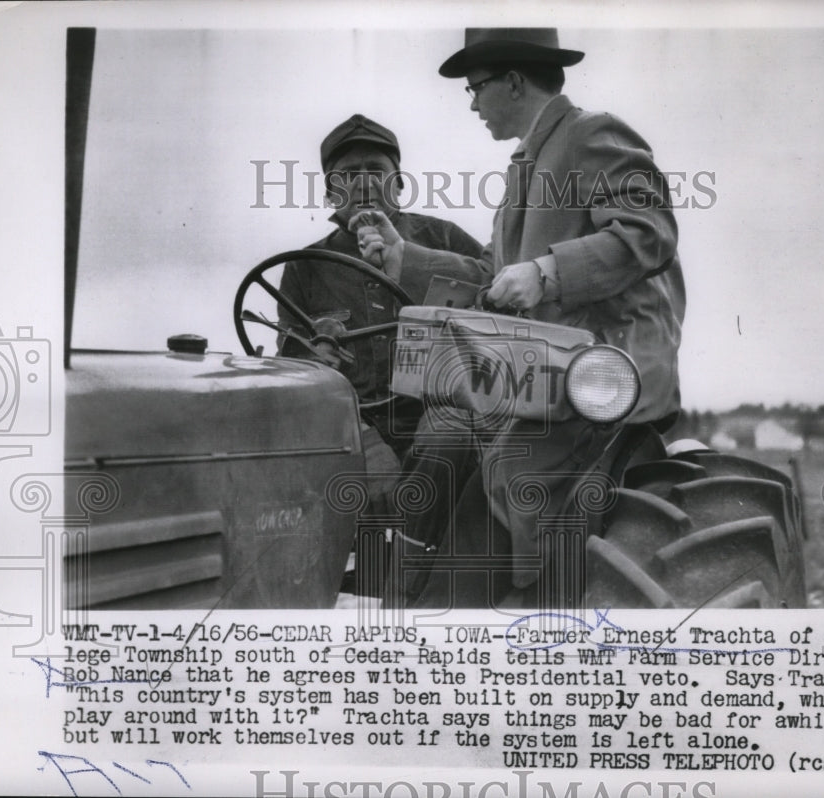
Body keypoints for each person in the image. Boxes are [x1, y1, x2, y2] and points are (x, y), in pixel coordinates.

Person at [351, 29, 686, 608]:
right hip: (539, 381)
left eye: (476, 88)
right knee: (444, 442)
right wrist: (405, 256)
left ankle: (534, 609)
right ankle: (409, 597)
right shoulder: (525, 166)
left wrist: (547, 273)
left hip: (599, 380)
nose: (473, 104)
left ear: (513, 81)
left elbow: (648, 232)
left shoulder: (591, 134)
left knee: (512, 466)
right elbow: (496, 275)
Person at [277, 114, 482, 460]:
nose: (364, 184)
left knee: (448, 440)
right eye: (348, 175)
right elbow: (297, 368)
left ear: (398, 183)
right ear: (329, 192)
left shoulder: (446, 239)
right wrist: (366, 444)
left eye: (376, 171)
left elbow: (497, 301)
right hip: (350, 423)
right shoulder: (304, 266)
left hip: (442, 413)